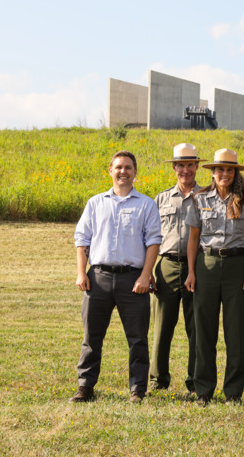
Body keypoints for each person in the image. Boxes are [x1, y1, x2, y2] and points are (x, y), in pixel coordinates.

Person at [71, 150, 162, 403]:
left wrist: (146, 276)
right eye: (119, 167)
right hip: (97, 278)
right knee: (91, 337)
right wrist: (81, 272)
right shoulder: (95, 203)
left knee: (137, 338)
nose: (123, 172)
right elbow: (82, 240)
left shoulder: (146, 204)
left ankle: (137, 390)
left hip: (133, 281)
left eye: (128, 167)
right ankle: (85, 388)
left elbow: (154, 241)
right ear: (110, 170)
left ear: (135, 172)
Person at [184, 149, 244, 405]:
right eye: (220, 169)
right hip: (206, 264)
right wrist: (192, 272)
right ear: (212, 172)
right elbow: (193, 238)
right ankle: (203, 389)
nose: (225, 174)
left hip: (237, 266)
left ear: (235, 172)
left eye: (229, 170)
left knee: (235, 330)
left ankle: (233, 392)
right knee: (204, 329)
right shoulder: (199, 197)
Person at [149, 143, 205, 396]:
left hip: (199, 267)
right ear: (174, 167)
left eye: (190, 164)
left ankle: (195, 382)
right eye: (180, 165)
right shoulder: (160, 199)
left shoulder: (207, 196)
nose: (185, 170)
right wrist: (147, 269)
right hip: (167, 265)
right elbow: (149, 237)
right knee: (162, 327)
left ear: (196, 166)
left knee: (197, 327)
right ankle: (157, 381)